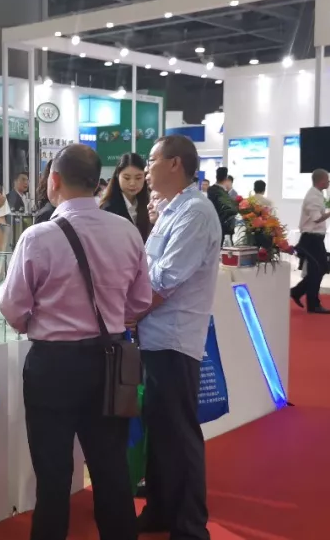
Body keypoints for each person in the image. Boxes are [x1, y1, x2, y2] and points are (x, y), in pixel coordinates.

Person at [0, 144, 150, 540]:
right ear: (99, 183)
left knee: (53, 476)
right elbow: (139, 302)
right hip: (110, 360)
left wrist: (38, 320)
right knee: (111, 469)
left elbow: (12, 308)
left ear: (54, 180)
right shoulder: (126, 231)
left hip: (53, 365)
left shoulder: (38, 236)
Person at [137, 134, 221, 539]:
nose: (145, 169)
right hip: (155, 337)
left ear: (175, 164)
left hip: (174, 338)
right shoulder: (171, 210)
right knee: (160, 431)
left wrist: (127, 315)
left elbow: (163, 281)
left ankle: (190, 526)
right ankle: (160, 510)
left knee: (179, 433)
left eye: (152, 160)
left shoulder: (195, 212)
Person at [291, 169, 330, 315]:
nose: (329, 182)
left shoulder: (317, 195)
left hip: (315, 239)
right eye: (327, 179)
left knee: (319, 269)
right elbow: (316, 218)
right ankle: (311, 302)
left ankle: (298, 292)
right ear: (321, 181)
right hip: (311, 239)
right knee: (319, 269)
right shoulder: (313, 197)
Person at [100, 152, 152, 240]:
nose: (132, 183)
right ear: (117, 176)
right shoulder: (108, 209)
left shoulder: (150, 204)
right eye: (127, 178)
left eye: (138, 178)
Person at [207, 167, 236, 242]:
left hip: (213, 224)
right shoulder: (221, 192)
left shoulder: (211, 190)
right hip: (221, 225)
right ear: (226, 178)